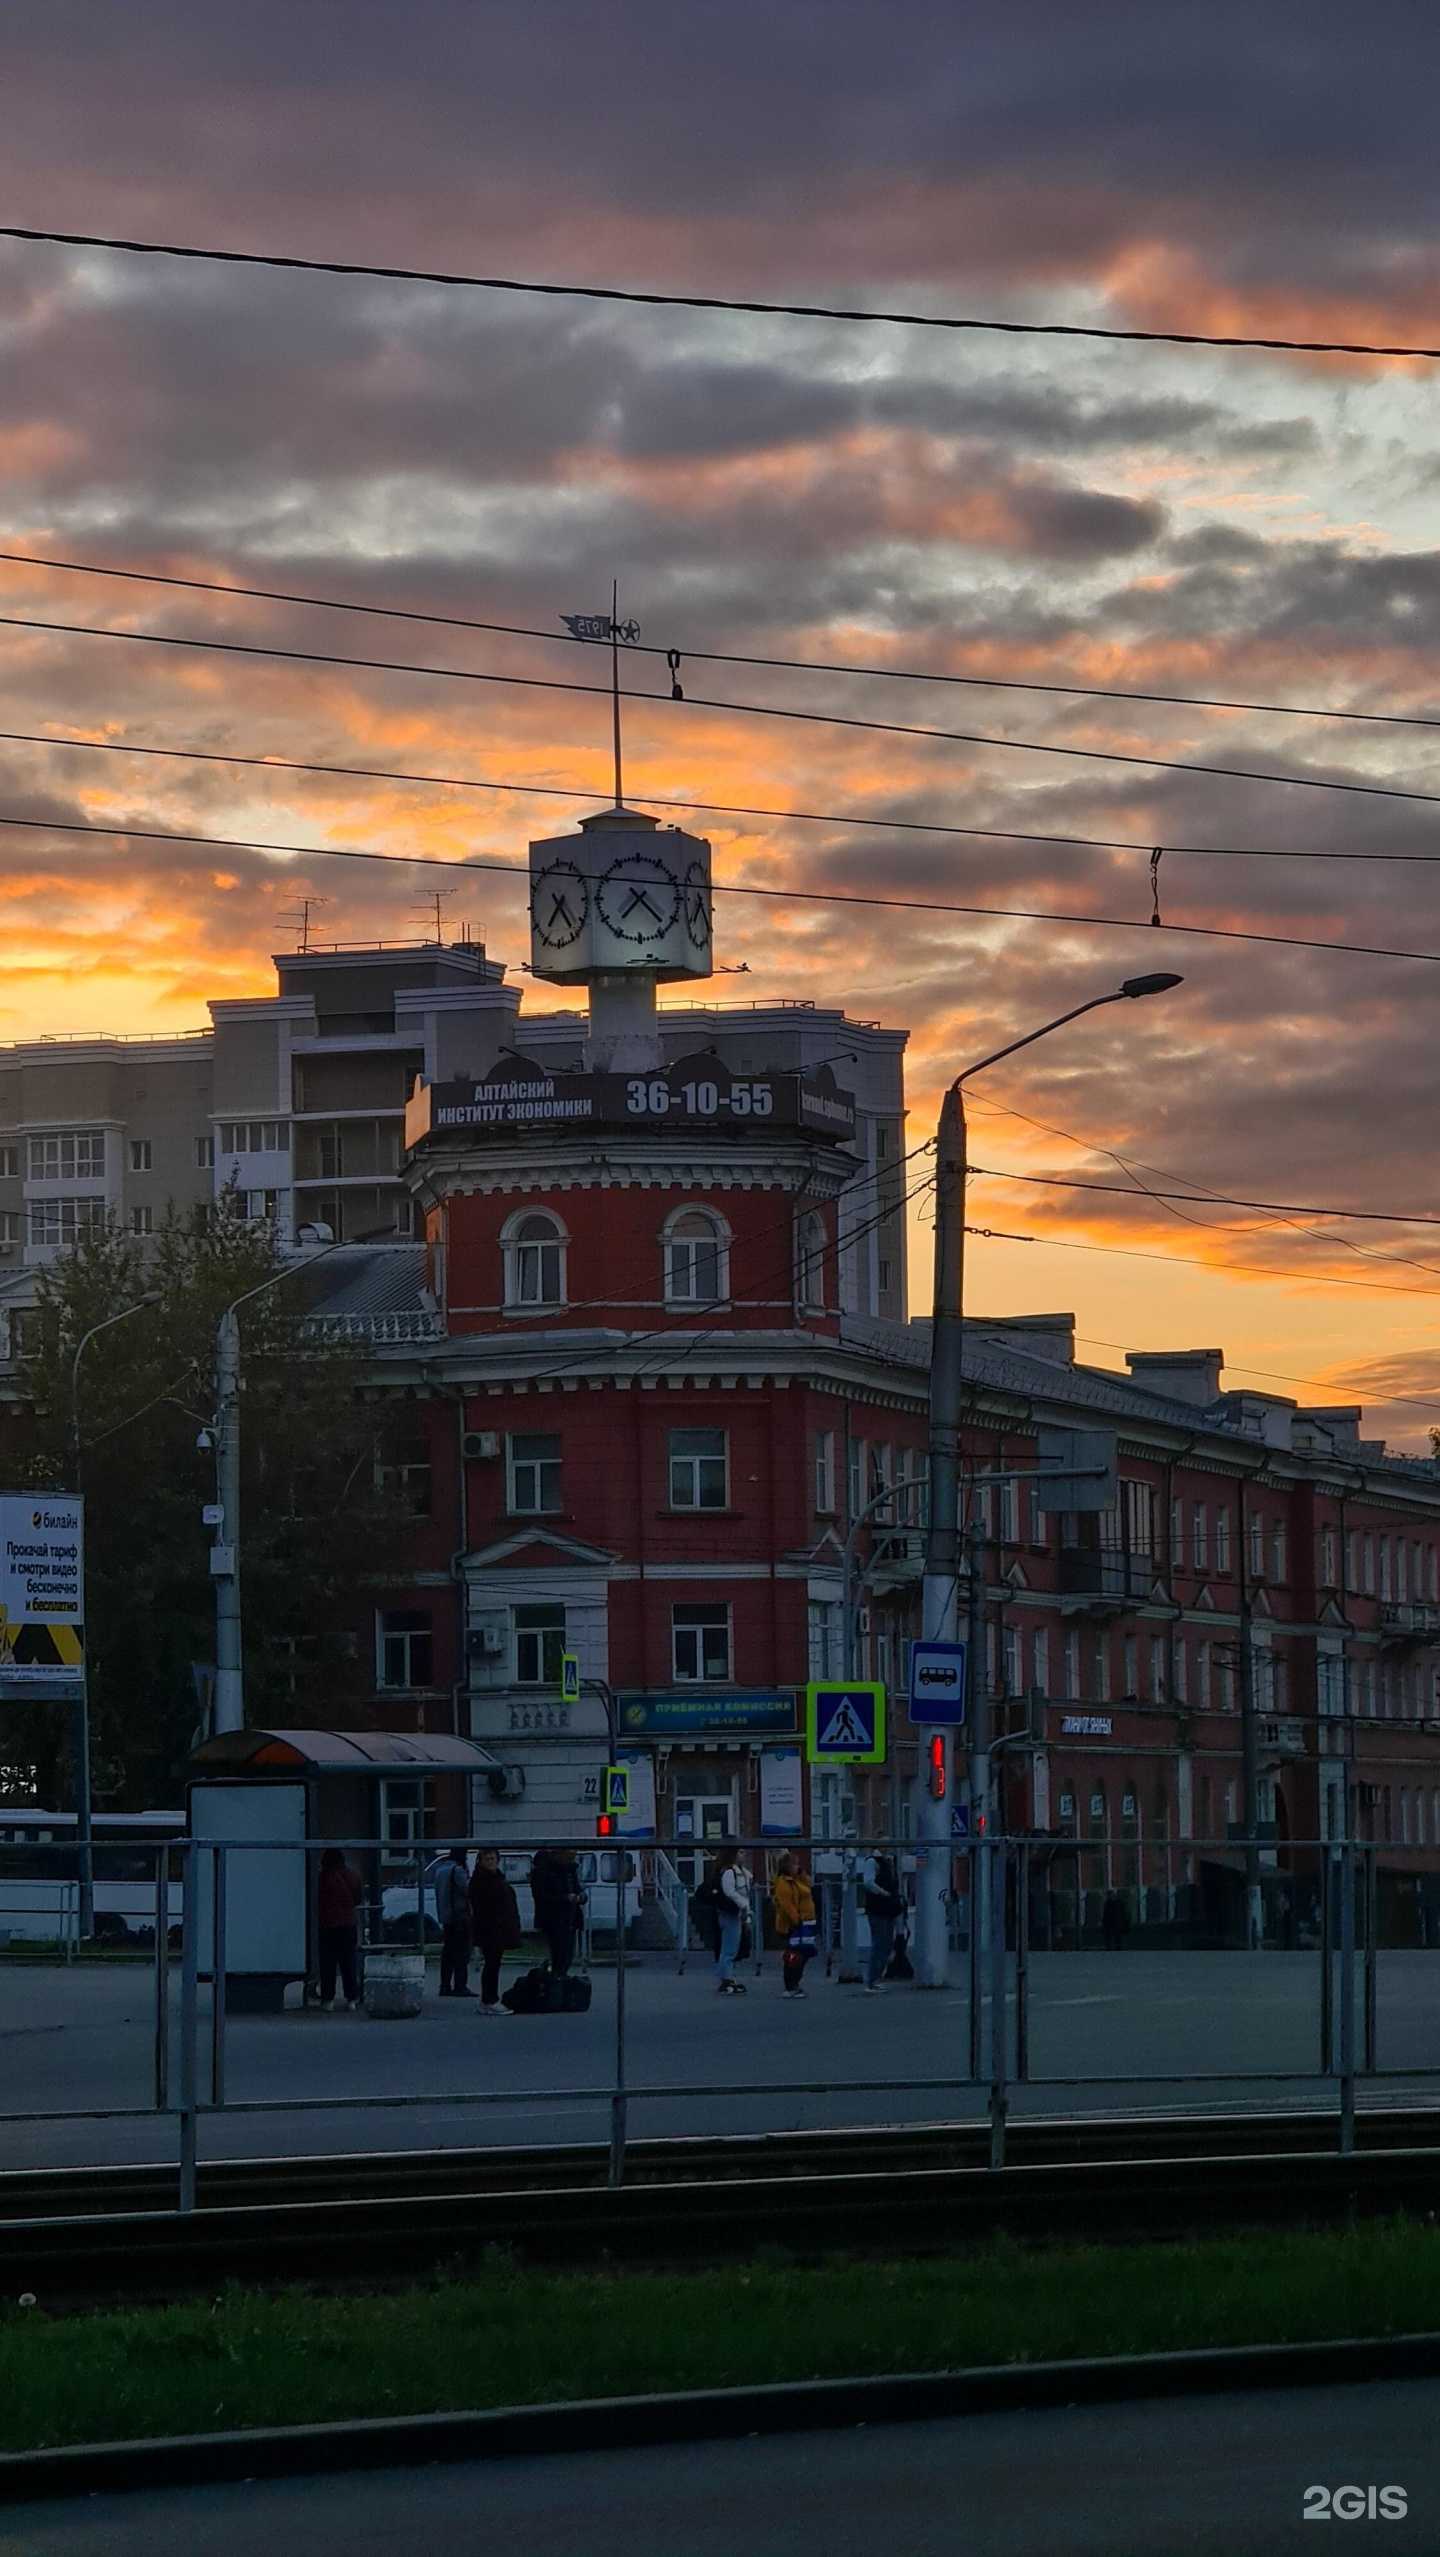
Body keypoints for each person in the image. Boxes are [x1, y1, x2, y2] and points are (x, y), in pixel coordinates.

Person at [468, 1847, 522, 2014]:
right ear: (481, 1861)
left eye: (492, 1859)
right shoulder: (482, 1880)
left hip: (498, 1927)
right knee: (492, 1964)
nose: (491, 1862)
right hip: (490, 1928)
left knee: (494, 1964)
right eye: (487, 1859)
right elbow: (484, 1906)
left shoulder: (495, 1878)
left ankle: (489, 1999)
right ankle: (489, 2000)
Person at [316, 1845, 362, 2012]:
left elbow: (317, 1900)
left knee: (327, 1964)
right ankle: (351, 1999)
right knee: (348, 1963)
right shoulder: (353, 1876)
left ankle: (328, 2000)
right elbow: (358, 1900)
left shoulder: (322, 1877)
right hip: (348, 1925)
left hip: (327, 1925)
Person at [530, 1844, 585, 1977]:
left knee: (566, 1956)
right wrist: (566, 1898)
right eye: (570, 1854)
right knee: (559, 1955)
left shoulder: (570, 1871)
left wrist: (581, 1897)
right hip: (554, 1919)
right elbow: (542, 1896)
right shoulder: (545, 1871)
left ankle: (559, 1981)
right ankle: (556, 1983)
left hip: (570, 1918)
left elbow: (578, 1889)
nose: (573, 1858)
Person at [772, 1851, 817, 1999]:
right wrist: (796, 1920)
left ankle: (795, 1983)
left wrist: (802, 1873)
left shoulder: (798, 1880)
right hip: (794, 1924)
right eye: (794, 1864)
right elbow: (787, 1905)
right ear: (787, 1866)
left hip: (807, 1922)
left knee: (803, 1953)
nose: (797, 1866)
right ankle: (790, 1985)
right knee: (794, 1955)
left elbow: (810, 1884)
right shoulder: (784, 1883)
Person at [859, 1851, 904, 1993]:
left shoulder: (888, 1862)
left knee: (886, 1944)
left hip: (888, 1908)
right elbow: (868, 1882)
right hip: (878, 1909)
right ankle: (872, 1980)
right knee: (879, 1944)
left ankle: (876, 1978)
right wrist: (883, 1892)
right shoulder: (873, 1862)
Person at [433, 1845, 473, 1997]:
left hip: (446, 1917)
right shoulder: (457, 1870)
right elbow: (467, 1890)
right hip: (460, 1917)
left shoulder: (440, 1870)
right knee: (462, 1953)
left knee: (448, 1953)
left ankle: (445, 1985)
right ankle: (460, 1986)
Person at [714, 1845, 751, 1996]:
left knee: (732, 1948)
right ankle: (725, 1980)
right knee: (729, 1949)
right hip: (730, 1914)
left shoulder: (741, 1872)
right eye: (741, 1852)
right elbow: (730, 1892)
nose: (744, 1855)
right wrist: (743, 1905)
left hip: (737, 1914)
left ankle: (728, 1978)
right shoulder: (729, 1872)